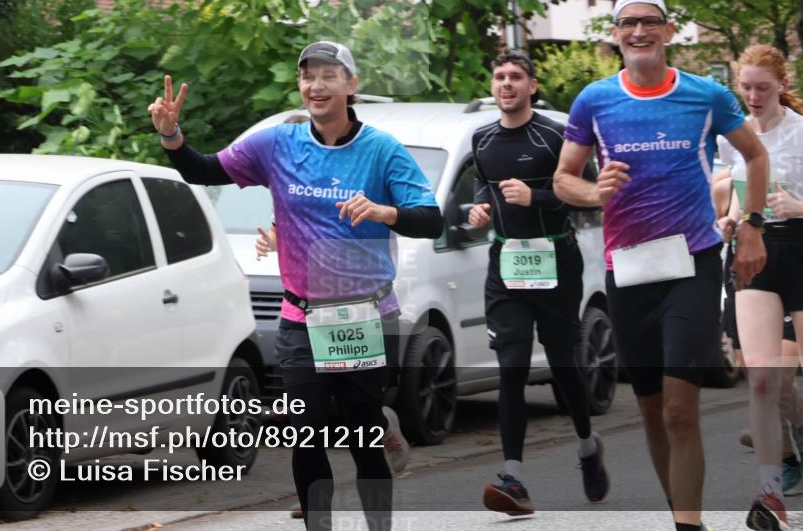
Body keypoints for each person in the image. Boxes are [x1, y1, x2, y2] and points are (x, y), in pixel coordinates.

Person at [149, 40, 443, 531]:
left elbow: (431, 221)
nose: (316, 85)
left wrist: (382, 211)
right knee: (305, 436)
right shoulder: (277, 144)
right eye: (308, 75)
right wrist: (172, 137)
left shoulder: (382, 151)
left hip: (365, 316)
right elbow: (205, 171)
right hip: (302, 317)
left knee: (360, 435)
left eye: (329, 75)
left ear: (351, 85)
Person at [552, 0, 769, 531]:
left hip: (691, 264)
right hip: (627, 269)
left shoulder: (706, 96)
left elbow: (755, 155)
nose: (639, 32)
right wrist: (594, 192)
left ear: (669, 30)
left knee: (678, 406)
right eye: (628, 23)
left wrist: (753, 227)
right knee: (649, 407)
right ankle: (679, 514)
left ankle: (688, 526)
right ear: (616, 34)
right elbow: (562, 181)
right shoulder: (594, 101)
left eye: (649, 22)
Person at [466, 50, 609, 516]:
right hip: (506, 261)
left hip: (555, 258)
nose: (505, 83)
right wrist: (478, 210)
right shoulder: (481, 139)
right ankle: (514, 478)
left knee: (564, 364)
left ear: (531, 85)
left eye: (515, 77)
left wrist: (537, 196)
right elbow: (482, 188)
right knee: (511, 367)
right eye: (499, 76)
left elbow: (588, 198)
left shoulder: (554, 136)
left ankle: (587, 446)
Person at [716, 44, 803, 530]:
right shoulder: (734, 136)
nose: (752, 96)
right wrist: (726, 221)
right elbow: (729, 196)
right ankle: (770, 494)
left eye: (762, 87)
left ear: (782, 85)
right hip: (754, 252)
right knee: (761, 378)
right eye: (744, 88)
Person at [714, 167, 803, 495]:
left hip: (798, 272)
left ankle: (802, 427)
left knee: (778, 378)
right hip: (747, 279)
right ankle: (786, 456)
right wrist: (724, 226)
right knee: (759, 381)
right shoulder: (728, 182)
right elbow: (713, 227)